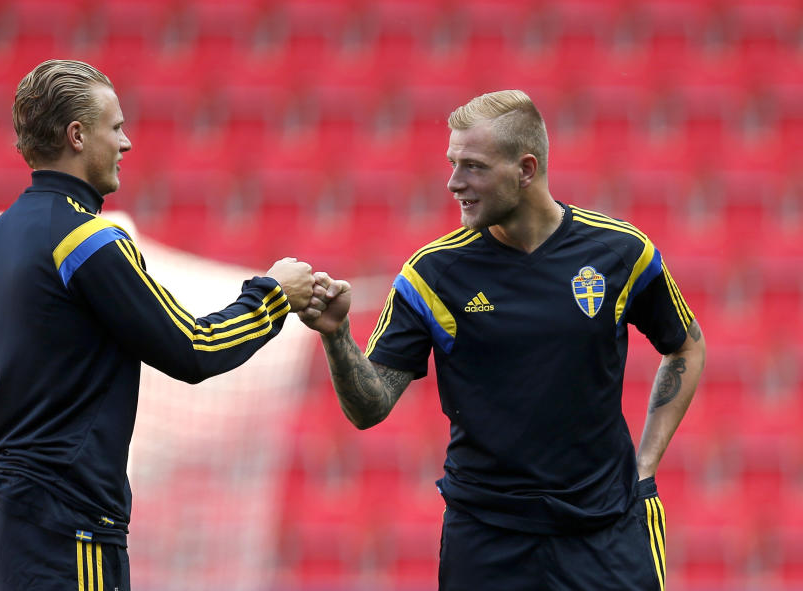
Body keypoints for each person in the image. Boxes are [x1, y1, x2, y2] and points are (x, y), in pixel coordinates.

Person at [0, 59, 315, 590]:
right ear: (77, 135)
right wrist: (273, 296)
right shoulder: (88, 241)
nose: (126, 143)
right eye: (116, 128)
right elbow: (194, 349)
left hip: (6, 528)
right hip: (73, 530)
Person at [299, 89, 706, 590]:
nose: (453, 182)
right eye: (452, 163)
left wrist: (645, 464)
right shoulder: (432, 274)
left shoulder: (620, 252)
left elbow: (685, 344)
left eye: (472, 167)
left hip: (607, 533)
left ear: (526, 169)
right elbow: (370, 407)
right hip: (487, 539)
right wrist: (337, 335)